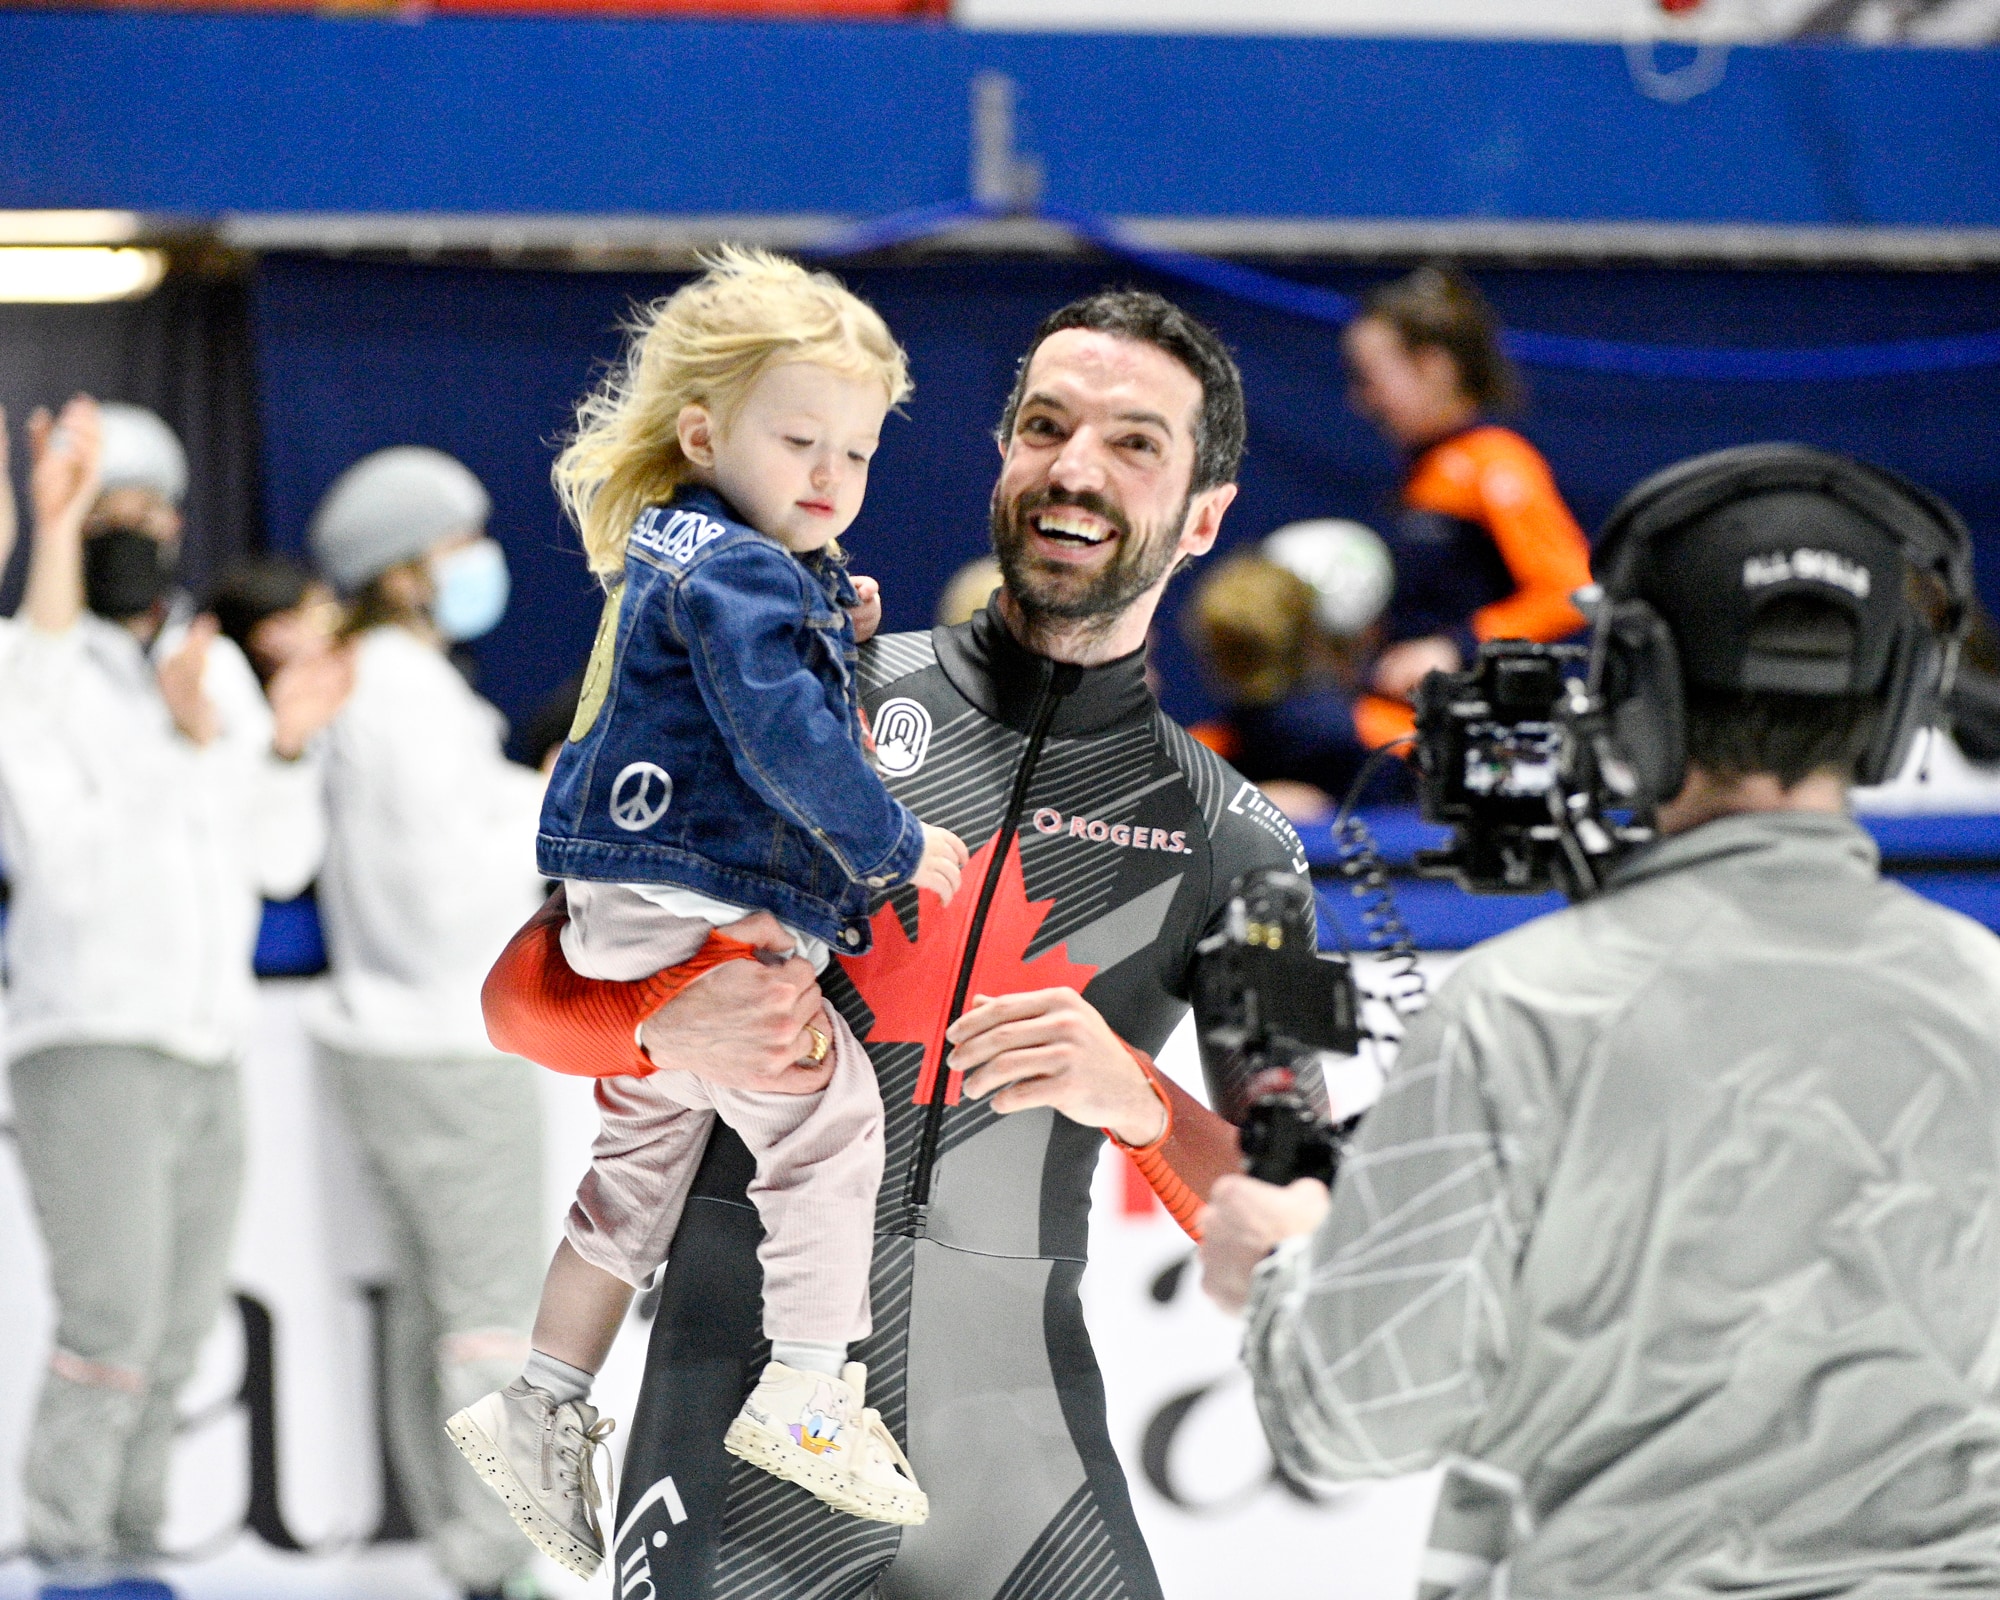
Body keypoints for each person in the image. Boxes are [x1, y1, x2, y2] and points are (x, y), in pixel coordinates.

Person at [481, 288, 1310, 1599]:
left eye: (1136, 444)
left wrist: (1141, 1100)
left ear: (1205, 514)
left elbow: (1297, 1203)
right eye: (1046, 425)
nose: (1076, 469)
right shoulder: (803, 695)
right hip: (736, 1446)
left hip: (1025, 1467)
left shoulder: (1238, 838)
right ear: (1002, 453)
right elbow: (515, 999)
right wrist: (654, 1023)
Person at [1201, 445, 2000, 1599]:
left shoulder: (1520, 1012)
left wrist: (1279, 1260)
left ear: (1629, 680)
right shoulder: (1982, 991)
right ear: (1893, 698)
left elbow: (1357, 1416)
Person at [447, 249, 966, 1568]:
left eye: (855, 450)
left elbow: (764, 697)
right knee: (829, 1117)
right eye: (799, 438)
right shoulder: (733, 572)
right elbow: (789, 742)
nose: (830, 475)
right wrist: (894, 840)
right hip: (697, 904)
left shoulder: (697, 557)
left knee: (636, 1174)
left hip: (632, 904)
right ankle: (806, 1387)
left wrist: (835, 630)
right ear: (702, 429)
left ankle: (544, 1402)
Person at [0, 398, 337, 1600]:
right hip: (88, 1034)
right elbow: (66, 860)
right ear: (69, 524)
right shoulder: (37, 676)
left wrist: (277, 747)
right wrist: (182, 744)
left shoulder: (207, 667)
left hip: (207, 1040)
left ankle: (134, 1550)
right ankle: (68, 1552)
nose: (137, 533)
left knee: (183, 1327)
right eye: (110, 513)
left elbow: (277, 862)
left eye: (154, 513)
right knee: (111, 1324)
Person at [304, 446, 550, 1600]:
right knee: (493, 1323)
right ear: (401, 571)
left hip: (400, 1042)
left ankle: (477, 1559)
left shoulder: (390, 686)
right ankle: (504, 1559)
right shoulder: (397, 693)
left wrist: (535, 797)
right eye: (455, 545)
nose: (474, 564)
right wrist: (557, 823)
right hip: (450, 1047)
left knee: (438, 1318)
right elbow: (442, 895)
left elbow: (448, 835)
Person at [1344, 265, 1593, 738]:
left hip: (1462, 732)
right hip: (1402, 719)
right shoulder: (1421, 472)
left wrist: (1457, 648)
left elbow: (1569, 591)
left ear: (1433, 367)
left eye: (1371, 378)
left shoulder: (1495, 460)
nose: (1362, 401)